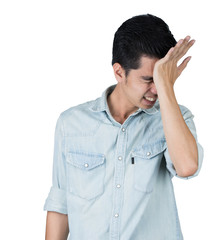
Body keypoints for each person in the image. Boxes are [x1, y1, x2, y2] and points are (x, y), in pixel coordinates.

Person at [44, 13, 204, 240]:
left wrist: (166, 85)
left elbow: (187, 167)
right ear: (119, 72)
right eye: (149, 79)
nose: (156, 90)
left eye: (162, 79)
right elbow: (60, 206)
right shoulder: (71, 124)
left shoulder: (177, 118)